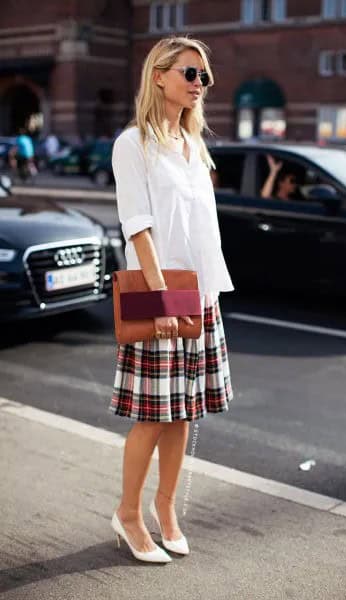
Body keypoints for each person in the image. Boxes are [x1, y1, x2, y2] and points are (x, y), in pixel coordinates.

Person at [108, 36, 235, 563]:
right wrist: (162, 298)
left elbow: (202, 229)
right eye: (190, 73)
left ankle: (166, 507)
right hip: (161, 292)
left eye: (204, 77)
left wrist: (207, 293)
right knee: (154, 415)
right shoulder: (132, 143)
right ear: (158, 75)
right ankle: (129, 513)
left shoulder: (194, 145)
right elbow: (139, 228)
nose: (199, 84)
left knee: (184, 414)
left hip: (200, 294)